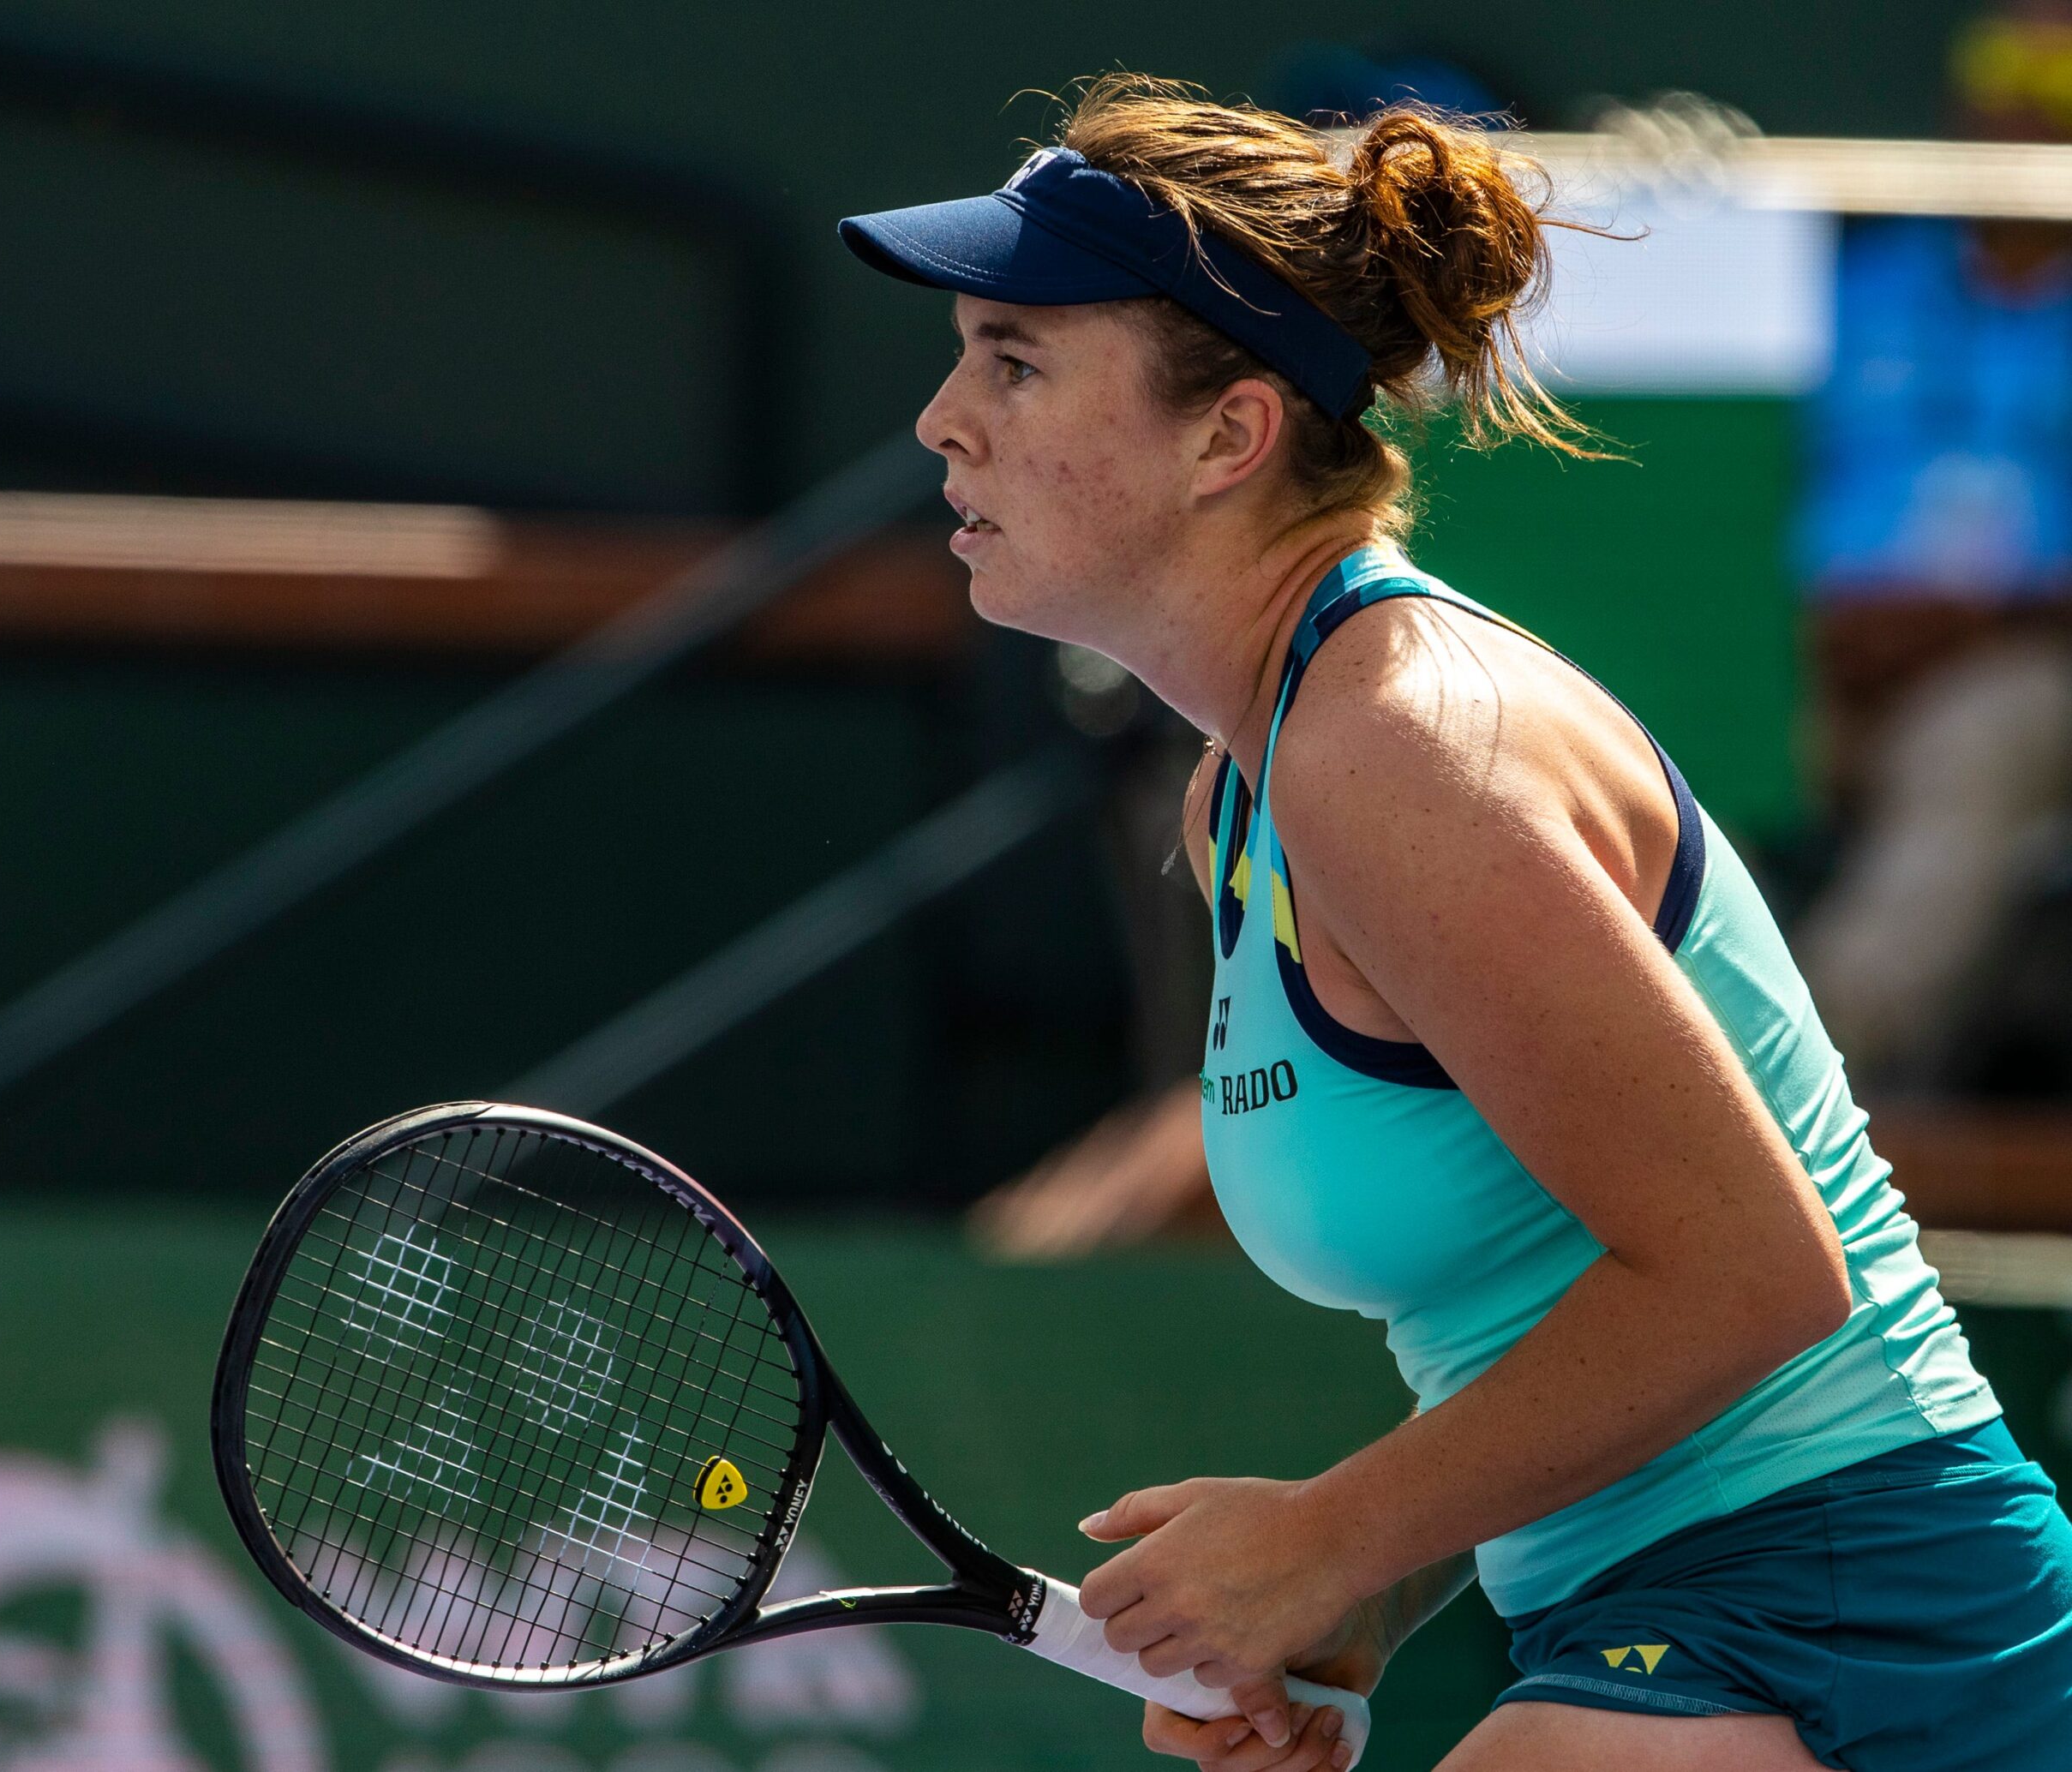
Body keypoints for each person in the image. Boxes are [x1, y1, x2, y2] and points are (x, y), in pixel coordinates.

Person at [839, 75, 2072, 1772]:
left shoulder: (1395, 748)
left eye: (1014, 359)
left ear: (1229, 434)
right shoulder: (1247, 797)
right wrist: (1378, 1578)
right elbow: (1535, 1290)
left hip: (1852, 1610)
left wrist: (1328, 1530)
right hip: (1658, 1601)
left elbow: (1748, 1270)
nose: (940, 420)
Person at [1793, 0, 2072, 1090]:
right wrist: (1825, 630)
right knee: (1657, 730)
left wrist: (1969, 623)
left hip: (2023, 663)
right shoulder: (1857, 290)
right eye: (2002, 78)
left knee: (1977, 750)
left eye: (2054, 95)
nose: (2024, 118)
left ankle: (1789, 1090)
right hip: (1820, 651)